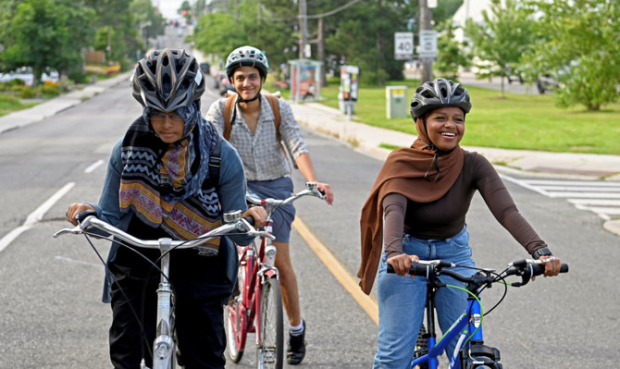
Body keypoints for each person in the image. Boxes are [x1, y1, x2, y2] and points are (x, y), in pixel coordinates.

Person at [65, 48, 267, 369]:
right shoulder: (126, 150)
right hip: (139, 248)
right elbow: (110, 217)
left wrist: (247, 219)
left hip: (202, 250)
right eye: (157, 113)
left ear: (193, 107)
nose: (166, 124)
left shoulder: (222, 156)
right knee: (126, 346)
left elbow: (238, 231)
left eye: (176, 113)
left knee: (205, 355)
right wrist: (87, 214)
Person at [358, 78, 562, 368]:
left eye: (458, 119)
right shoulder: (401, 162)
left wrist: (541, 252)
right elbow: (393, 210)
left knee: (467, 352)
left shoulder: (474, 164)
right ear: (421, 122)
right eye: (440, 117)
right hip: (406, 254)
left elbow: (507, 211)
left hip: (453, 253)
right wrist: (394, 254)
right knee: (394, 357)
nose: (450, 125)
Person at [206, 45, 334, 365]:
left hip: (277, 186)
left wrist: (313, 180)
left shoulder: (279, 107)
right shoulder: (220, 111)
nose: (246, 83)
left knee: (281, 261)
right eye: (240, 78)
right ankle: (232, 295)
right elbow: (206, 149)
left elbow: (296, 144)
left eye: (252, 77)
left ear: (261, 78)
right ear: (231, 81)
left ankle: (295, 329)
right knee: (229, 251)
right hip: (237, 188)